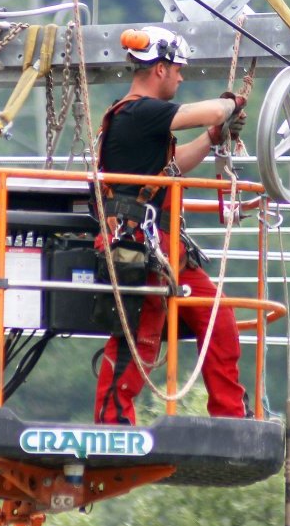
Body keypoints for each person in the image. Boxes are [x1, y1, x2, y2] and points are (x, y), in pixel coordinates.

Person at [93, 26, 249, 424]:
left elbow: (173, 168)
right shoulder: (138, 112)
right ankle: (112, 423)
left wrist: (215, 137)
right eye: (177, 69)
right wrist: (228, 107)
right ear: (159, 69)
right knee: (141, 335)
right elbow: (214, 109)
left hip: (159, 245)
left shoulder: (140, 121)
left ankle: (230, 416)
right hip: (138, 242)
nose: (180, 78)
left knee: (216, 315)